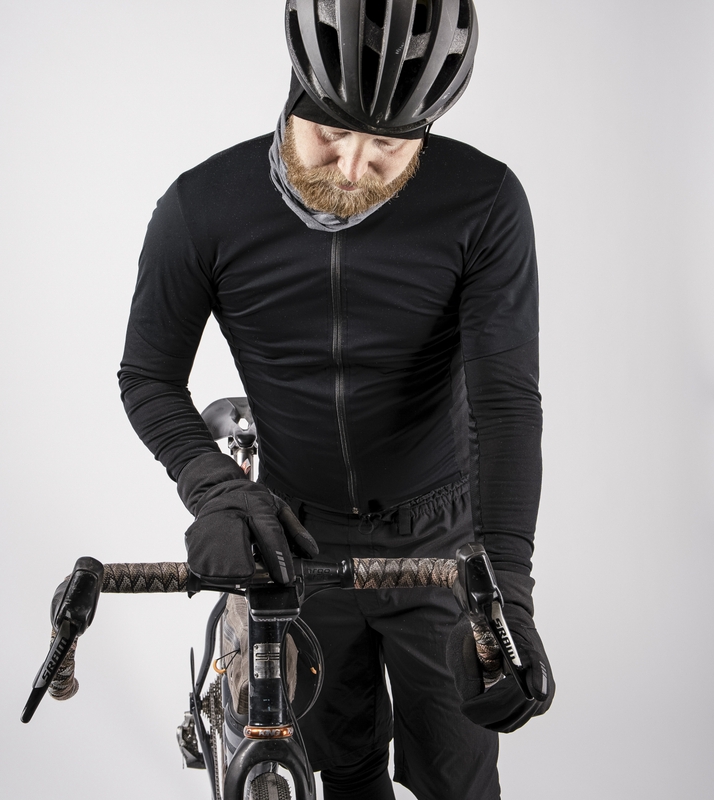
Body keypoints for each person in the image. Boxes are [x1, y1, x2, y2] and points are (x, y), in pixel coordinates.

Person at [118, 1, 555, 798]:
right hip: (295, 538)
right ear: (295, 95)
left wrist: (507, 601)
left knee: (458, 781)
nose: (354, 167)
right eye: (329, 133)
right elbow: (148, 375)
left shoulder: (484, 202)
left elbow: (505, 407)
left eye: (388, 145)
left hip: (439, 539)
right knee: (342, 774)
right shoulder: (202, 206)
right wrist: (214, 485)